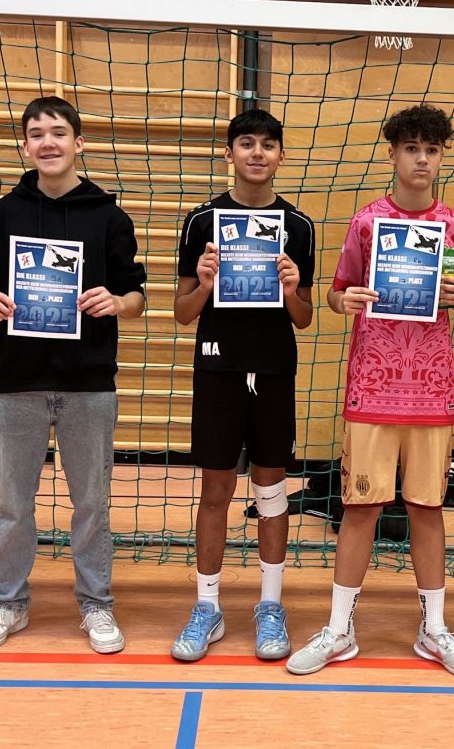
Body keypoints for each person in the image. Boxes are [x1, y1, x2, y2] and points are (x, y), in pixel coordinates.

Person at [286, 104, 454, 679]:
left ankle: (434, 629)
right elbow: (336, 291)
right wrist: (341, 300)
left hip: (431, 389)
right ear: (393, 154)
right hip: (372, 386)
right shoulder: (367, 223)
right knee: (361, 507)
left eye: (432, 150)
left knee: (428, 509)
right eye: (411, 148)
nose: (422, 159)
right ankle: (339, 629)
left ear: (441, 157)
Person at [0, 96, 146, 654]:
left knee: (91, 504)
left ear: (78, 143)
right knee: (14, 506)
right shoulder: (2, 215)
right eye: (37, 134)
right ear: (25, 146)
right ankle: (9, 603)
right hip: (16, 382)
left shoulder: (109, 217)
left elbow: (136, 295)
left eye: (59, 132)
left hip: (88, 384)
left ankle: (96, 604)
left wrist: (117, 302)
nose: (48, 142)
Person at [170, 109, 315, 662]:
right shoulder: (201, 221)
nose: (258, 153)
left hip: (274, 370)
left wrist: (291, 291)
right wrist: (206, 284)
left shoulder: (298, 226)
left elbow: (304, 318)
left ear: (281, 156)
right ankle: (207, 606)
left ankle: (270, 605)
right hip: (218, 369)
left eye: (268, 144)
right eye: (247, 143)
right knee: (216, 491)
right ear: (228, 153)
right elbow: (183, 312)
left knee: (271, 492)